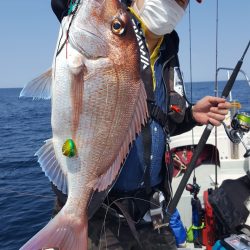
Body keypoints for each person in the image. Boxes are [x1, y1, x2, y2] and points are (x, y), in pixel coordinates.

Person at [50, 0, 231, 249]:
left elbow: (157, 122)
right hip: (100, 213)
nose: (176, 3)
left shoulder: (168, 49)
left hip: (151, 210)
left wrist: (190, 116)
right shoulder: (109, 23)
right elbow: (64, 4)